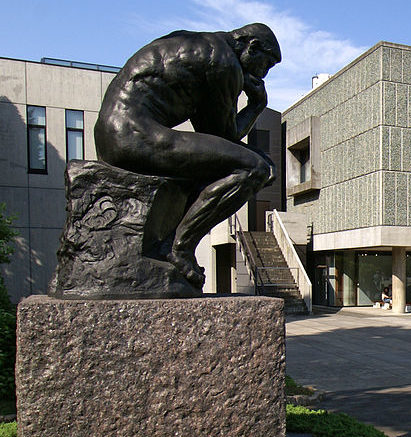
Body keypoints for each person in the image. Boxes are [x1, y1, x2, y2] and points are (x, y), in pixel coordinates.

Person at [94, 23, 282, 288]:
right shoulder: (224, 62)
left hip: (115, 132)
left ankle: (170, 238)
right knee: (255, 168)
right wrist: (256, 105)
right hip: (131, 134)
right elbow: (223, 135)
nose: (263, 73)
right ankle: (179, 247)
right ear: (252, 47)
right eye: (267, 64)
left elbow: (215, 139)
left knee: (249, 162)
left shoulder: (204, 46)